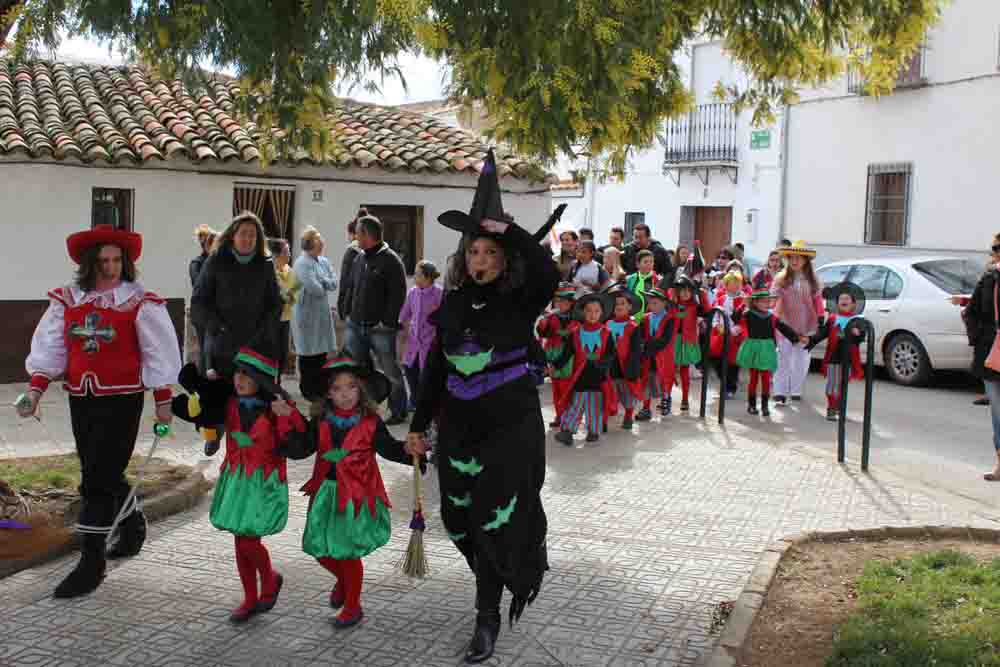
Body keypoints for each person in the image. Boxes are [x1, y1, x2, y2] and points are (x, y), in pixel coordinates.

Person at [407, 149, 558, 664]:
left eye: (491, 253)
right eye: (475, 252)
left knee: (494, 518)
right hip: (460, 430)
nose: (482, 261)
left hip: (511, 429)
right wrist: (418, 424)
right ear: (463, 257)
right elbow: (434, 370)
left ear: (504, 259)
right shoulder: (449, 303)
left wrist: (507, 230)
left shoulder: (521, 300)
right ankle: (507, 567)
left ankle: (487, 615)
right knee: (457, 518)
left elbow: (547, 271)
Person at [20, 224, 181, 598]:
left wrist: (162, 400)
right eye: (103, 260)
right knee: (98, 468)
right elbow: (52, 349)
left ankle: (91, 563)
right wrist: (35, 390)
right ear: (90, 263)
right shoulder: (69, 299)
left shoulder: (138, 300)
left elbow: (156, 350)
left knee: (96, 480)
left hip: (123, 398)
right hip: (82, 395)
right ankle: (132, 522)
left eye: (116, 260)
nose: (110, 267)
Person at [278, 352, 422, 627]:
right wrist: (286, 423)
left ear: (362, 389)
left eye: (351, 386)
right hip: (326, 494)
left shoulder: (370, 422)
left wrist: (409, 451)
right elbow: (302, 448)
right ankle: (344, 580)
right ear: (328, 394)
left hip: (356, 496)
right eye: (336, 388)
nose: (345, 394)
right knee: (319, 550)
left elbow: (389, 448)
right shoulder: (321, 421)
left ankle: (353, 606)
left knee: (347, 553)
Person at [173, 346, 297, 622]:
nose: (240, 379)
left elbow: (296, 442)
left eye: (248, 375)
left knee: (249, 540)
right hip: (236, 478)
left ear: (262, 381)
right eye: (238, 373)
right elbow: (204, 415)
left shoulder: (275, 408)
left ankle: (270, 578)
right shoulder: (229, 403)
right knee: (240, 540)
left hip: (263, 482)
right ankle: (250, 597)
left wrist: (287, 416)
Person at [192, 211, 282, 379]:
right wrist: (217, 327)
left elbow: (275, 303)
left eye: (253, 235)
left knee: (254, 402)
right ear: (233, 236)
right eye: (243, 234)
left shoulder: (265, 265)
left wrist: (265, 330)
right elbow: (199, 302)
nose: (248, 239)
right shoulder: (216, 261)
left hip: (256, 348)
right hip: (222, 347)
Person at [343, 212, 409, 425]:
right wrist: (346, 312)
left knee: (390, 372)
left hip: (380, 329)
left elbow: (398, 295)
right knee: (357, 371)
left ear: (366, 234)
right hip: (355, 325)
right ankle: (363, 410)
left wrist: (387, 322)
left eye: (358, 233)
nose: (355, 237)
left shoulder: (391, 260)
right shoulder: (359, 257)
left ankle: (398, 410)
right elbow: (351, 287)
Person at [734, 276, 807, 417]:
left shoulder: (771, 316)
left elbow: (784, 328)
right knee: (754, 378)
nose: (766, 303)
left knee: (766, 378)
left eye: (768, 301)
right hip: (753, 347)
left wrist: (797, 337)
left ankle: (765, 406)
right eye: (763, 301)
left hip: (767, 348)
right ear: (755, 302)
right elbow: (735, 318)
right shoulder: (748, 314)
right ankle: (751, 405)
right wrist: (742, 305)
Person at [553, 292, 617, 446]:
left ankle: (593, 431)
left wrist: (602, 367)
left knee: (594, 405)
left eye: (596, 311)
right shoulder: (575, 333)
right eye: (589, 310)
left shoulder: (606, 333)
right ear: (583, 312)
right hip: (579, 376)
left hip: (598, 376)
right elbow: (567, 353)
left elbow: (610, 355)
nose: (592, 314)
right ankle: (567, 431)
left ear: (601, 313)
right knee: (576, 403)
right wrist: (555, 365)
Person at [964, 234, 1000, 481]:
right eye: (996, 248)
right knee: (998, 411)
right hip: (991, 354)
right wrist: (981, 338)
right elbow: (971, 312)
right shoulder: (989, 279)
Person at [772, 240, 825, 405]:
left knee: (801, 360)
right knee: (783, 358)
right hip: (785, 324)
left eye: (798, 258)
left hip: (806, 325)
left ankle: (796, 389)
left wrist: (821, 318)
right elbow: (776, 301)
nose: (794, 261)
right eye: (791, 257)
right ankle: (780, 391)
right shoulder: (781, 279)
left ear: (805, 261)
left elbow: (817, 301)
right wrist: (776, 319)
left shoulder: (813, 281)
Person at [807, 282, 867, 422]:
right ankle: (831, 407)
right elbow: (821, 334)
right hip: (834, 357)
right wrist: (809, 341)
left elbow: (862, 337)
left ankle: (840, 406)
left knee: (843, 385)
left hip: (849, 357)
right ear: (837, 303)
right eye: (841, 299)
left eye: (847, 299)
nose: (844, 301)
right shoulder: (833, 319)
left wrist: (857, 333)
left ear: (853, 304)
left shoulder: (858, 320)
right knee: (832, 385)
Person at [292, 226, 337, 410]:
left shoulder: (324, 261)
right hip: (307, 315)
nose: (323, 243)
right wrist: (325, 282)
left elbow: (333, 282)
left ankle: (319, 388)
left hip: (320, 314)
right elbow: (315, 289)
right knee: (308, 354)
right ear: (310, 243)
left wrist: (324, 281)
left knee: (320, 354)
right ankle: (308, 390)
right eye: (319, 240)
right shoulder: (302, 263)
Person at [399, 260, 444, 413]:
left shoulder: (439, 293)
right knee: (409, 369)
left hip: (430, 342)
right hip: (413, 342)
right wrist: (399, 322)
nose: (415, 278)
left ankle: (427, 403)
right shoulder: (413, 292)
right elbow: (405, 311)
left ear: (427, 277)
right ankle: (414, 399)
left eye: (417, 275)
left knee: (427, 374)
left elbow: (444, 316)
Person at [538, 283, 578, 428]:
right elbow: (544, 334)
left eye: (564, 301)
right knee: (556, 389)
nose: (560, 304)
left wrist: (558, 363)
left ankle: (567, 417)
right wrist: (542, 325)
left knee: (567, 389)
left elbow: (573, 344)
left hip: (567, 358)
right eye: (558, 301)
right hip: (552, 355)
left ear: (571, 303)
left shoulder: (576, 319)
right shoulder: (551, 316)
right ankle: (559, 416)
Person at [606, 288, 644, 429]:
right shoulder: (608, 324)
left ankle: (628, 415)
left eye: (622, 303)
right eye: (616, 304)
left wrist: (633, 367)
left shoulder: (633, 326)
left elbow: (636, 350)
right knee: (610, 389)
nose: (619, 306)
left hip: (626, 364)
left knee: (627, 392)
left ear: (629, 306)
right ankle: (608, 413)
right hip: (611, 364)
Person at [637, 286, 676, 420]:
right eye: (650, 302)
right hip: (648, 357)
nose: (651, 306)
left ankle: (666, 399)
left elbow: (665, 339)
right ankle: (646, 408)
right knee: (646, 381)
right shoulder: (645, 318)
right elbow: (641, 335)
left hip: (663, 356)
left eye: (655, 303)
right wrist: (642, 346)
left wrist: (647, 346)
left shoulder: (670, 319)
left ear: (664, 303)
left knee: (664, 380)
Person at [668, 275, 706, 414]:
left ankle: (685, 398)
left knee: (684, 371)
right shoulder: (672, 305)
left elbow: (706, 309)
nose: (684, 293)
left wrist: (701, 293)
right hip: (673, 341)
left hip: (686, 340)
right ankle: (667, 397)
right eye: (681, 290)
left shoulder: (695, 306)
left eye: (688, 290)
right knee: (670, 371)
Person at [710, 271, 747, 398]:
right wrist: (715, 324)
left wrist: (735, 330)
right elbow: (715, 314)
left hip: (735, 335)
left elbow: (744, 319)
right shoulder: (721, 298)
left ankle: (730, 387)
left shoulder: (744, 300)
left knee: (732, 363)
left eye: (738, 283)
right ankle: (724, 383)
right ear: (726, 284)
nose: (736, 285)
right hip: (720, 333)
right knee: (716, 359)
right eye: (733, 283)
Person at [269, 238, 300, 386]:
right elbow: (276, 296)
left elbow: (295, 294)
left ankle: (278, 382)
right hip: (271, 319)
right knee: (270, 352)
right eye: (286, 252)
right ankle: (269, 382)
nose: (289, 255)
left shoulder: (289, 271)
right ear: (277, 254)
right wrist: (286, 295)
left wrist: (287, 295)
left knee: (283, 352)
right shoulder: (269, 271)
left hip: (285, 317)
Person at [189, 224, 219, 370]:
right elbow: (198, 286)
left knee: (212, 351)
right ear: (207, 246)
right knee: (206, 350)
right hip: (202, 313)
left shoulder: (219, 262)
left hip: (217, 313)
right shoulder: (197, 263)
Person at [337, 211, 366, 322]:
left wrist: (342, 308)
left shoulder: (351, 253)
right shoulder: (378, 251)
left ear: (353, 234)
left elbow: (345, 282)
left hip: (353, 309)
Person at [625, 249, 662, 319]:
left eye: (651, 262)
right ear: (637, 264)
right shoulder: (629, 279)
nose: (649, 264)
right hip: (632, 319)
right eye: (645, 262)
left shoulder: (658, 280)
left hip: (651, 319)